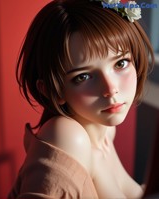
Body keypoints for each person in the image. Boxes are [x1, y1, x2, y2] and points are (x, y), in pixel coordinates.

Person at [8, 0, 154, 198]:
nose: (111, 89)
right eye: (83, 76)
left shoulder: (104, 131)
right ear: (53, 90)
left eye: (121, 63)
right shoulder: (67, 136)